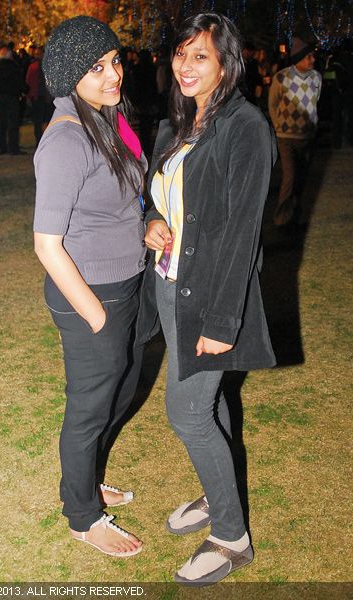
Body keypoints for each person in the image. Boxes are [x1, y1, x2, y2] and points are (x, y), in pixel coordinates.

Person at [141, 12, 276, 586]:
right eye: (181, 53)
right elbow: (159, 193)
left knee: (188, 410)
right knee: (209, 400)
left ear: (226, 62)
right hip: (169, 284)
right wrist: (151, 222)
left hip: (210, 296)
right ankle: (218, 490)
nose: (187, 66)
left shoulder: (245, 126)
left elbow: (244, 232)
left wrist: (224, 321)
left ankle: (231, 537)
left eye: (201, 55)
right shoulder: (175, 126)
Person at [33, 16, 147, 558]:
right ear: (68, 74)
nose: (113, 75)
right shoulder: (66, 140)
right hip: (91, 298)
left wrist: (146, 223)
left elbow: (127, 195)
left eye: (115, 61)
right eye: (96, 67)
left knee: (119, 392)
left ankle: (88, 478)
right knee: (89, 409)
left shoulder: (109, 119)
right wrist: (96, 317)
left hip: (128, 285)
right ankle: (81, 514)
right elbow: (47, 244)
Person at [268, 37, 322, 228]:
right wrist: (278, 126)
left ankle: (294, 216)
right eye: (308, 57)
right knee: (290, 177)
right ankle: (281, 218)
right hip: (286, 138)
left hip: (307, 137)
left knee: (302, 179)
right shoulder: (282, 77)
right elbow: (272, 103)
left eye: (312, 56)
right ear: (298, 59)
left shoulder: (317, 78)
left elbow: (316, 102)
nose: (312, 60)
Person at [0, 46, 27, 155]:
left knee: (2, 122)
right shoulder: (13, 66)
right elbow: (19, 81)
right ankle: (13, 147)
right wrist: (23, 90)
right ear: (9, 55)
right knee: (13, 123)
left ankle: (2, 146)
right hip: (12, 97)